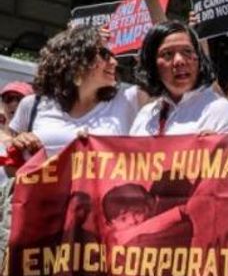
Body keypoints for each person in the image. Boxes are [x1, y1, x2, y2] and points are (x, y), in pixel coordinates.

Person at [7, 26, 141, 169]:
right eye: (104, 55)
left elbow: (166, 80)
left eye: (113, 56)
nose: (114, 62)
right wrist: (19, 144)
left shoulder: (127, 100)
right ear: (76, 59)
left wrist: (151, 4)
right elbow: (12, 171)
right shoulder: (32, 104)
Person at [130, 21, 228, 136]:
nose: (179, 61)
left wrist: (220, 149)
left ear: (199, 59)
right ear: (152, 64)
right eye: (167, 54)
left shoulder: (221, 111)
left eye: (187, 51)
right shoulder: (145, 117)